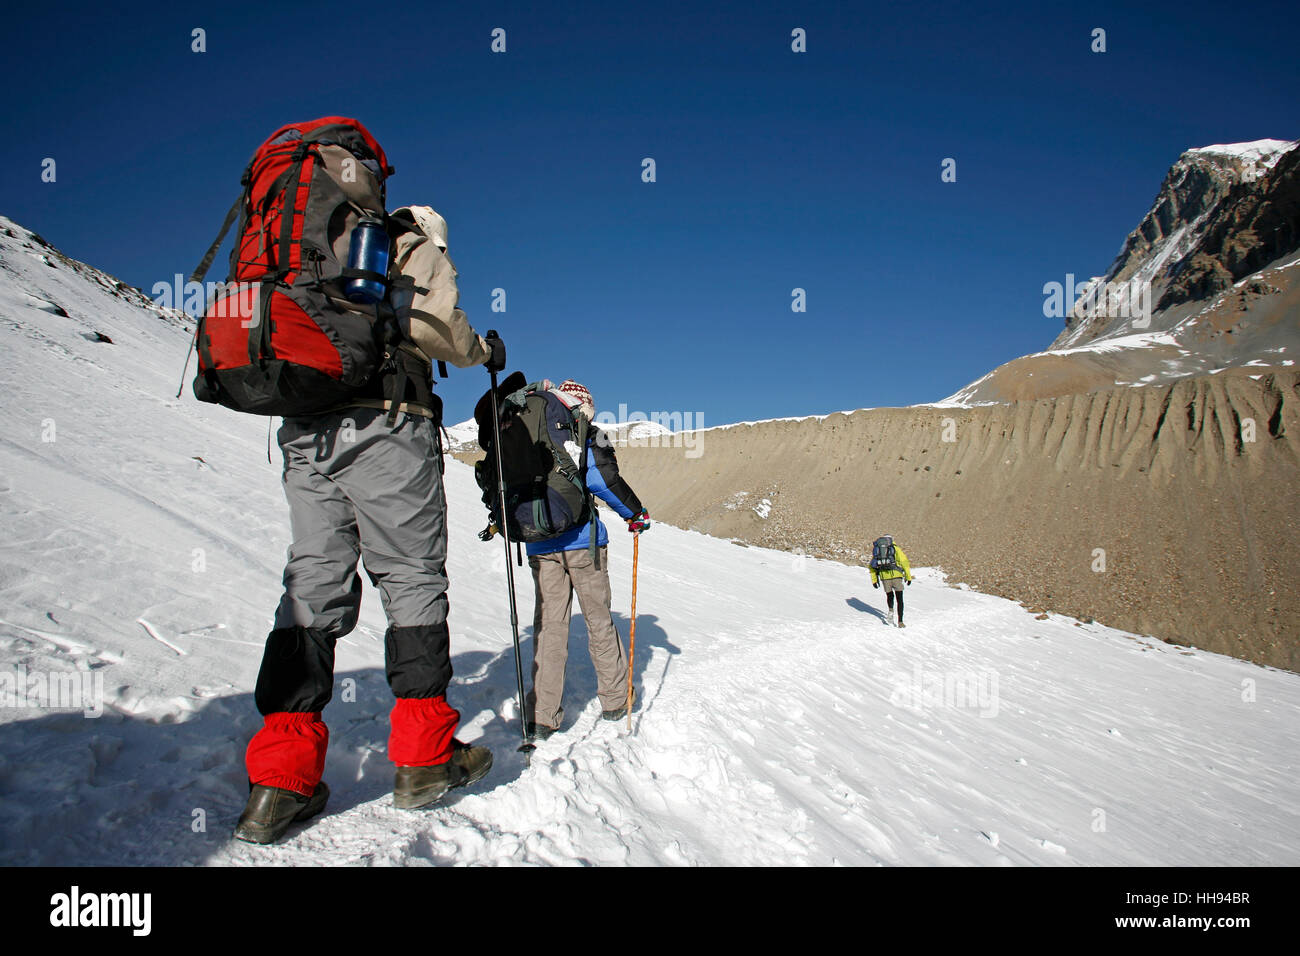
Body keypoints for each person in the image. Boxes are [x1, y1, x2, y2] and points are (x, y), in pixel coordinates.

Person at [235, 206, 504, 844]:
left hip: (305, 430)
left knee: (312, 582)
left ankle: (280, 780)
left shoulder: (308, 250)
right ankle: (423, 757)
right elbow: (436, 328)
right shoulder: (406, 244)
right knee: (411, 575)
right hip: (387, 422)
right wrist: (484, 348)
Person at [515, 380, 648, 740]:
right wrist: (635, 513)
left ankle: (543, 716)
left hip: (539, 542)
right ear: (584, 403)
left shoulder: (523, 419)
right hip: (583, 542)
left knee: (550, 627)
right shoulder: (586, 428)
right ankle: (616, 700)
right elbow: (603, 481)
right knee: (598, 619)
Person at [870, 535, 913, 628]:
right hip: (896, 575)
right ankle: (900, 621)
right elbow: (904, 561)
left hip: (884, 577)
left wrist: (874, 580)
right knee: (899, 599)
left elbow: (872, 565)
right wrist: (908, 577)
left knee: (889, 595)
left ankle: (890, 610)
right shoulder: (894, 548)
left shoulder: (877, 548)